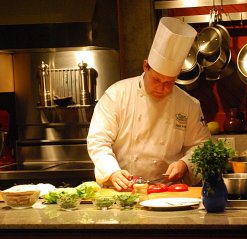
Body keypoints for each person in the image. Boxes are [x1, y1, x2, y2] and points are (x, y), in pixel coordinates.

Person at [87, 17, 211, 191]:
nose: (162, 88)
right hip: (122, 189)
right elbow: (98, 141)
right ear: (146, 66)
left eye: (169, 82)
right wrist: (112, 171)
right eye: (157, 79)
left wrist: (185, 163)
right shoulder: (116, 95)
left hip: (167, 192)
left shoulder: (188, 104)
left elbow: (201, 145)